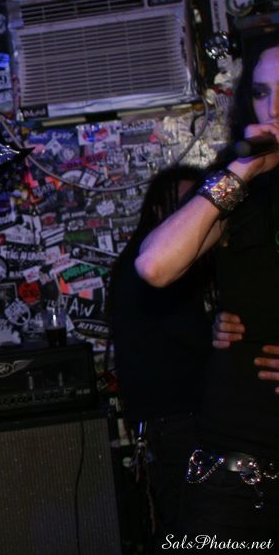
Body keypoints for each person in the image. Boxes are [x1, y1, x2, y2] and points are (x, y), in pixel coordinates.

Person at [135, 34, 279, 541]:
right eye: (261, 93)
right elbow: (154, 265)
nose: (273, 109)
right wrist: (239, 172)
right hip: (233, 461)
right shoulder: (240, 189)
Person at [109, 166, 212, 546]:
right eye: (183, 203)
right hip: (177, 418)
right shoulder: (156, 263)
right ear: (158, 209)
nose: (193, 211)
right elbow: (194, 335)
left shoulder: (144, 255)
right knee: (192, 522)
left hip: (170, 417)